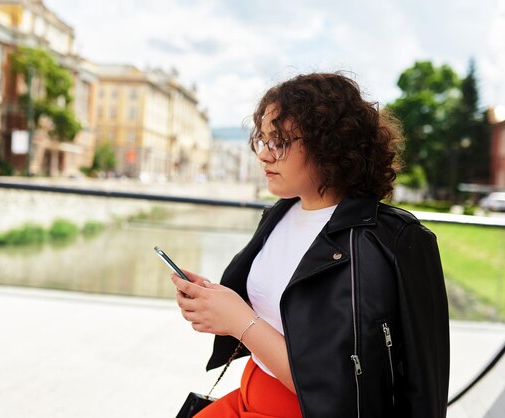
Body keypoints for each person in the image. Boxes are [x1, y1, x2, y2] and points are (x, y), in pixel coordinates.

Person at [171, 72, 450, 418]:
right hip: (246, 397)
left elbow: (347, 387)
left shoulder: (394, 240)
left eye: (279, 142)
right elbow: (274, 314)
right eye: (262, 139)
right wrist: (215, 303)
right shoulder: (280, 214)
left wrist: (239, 320)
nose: (264, 155)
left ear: (328, 144)